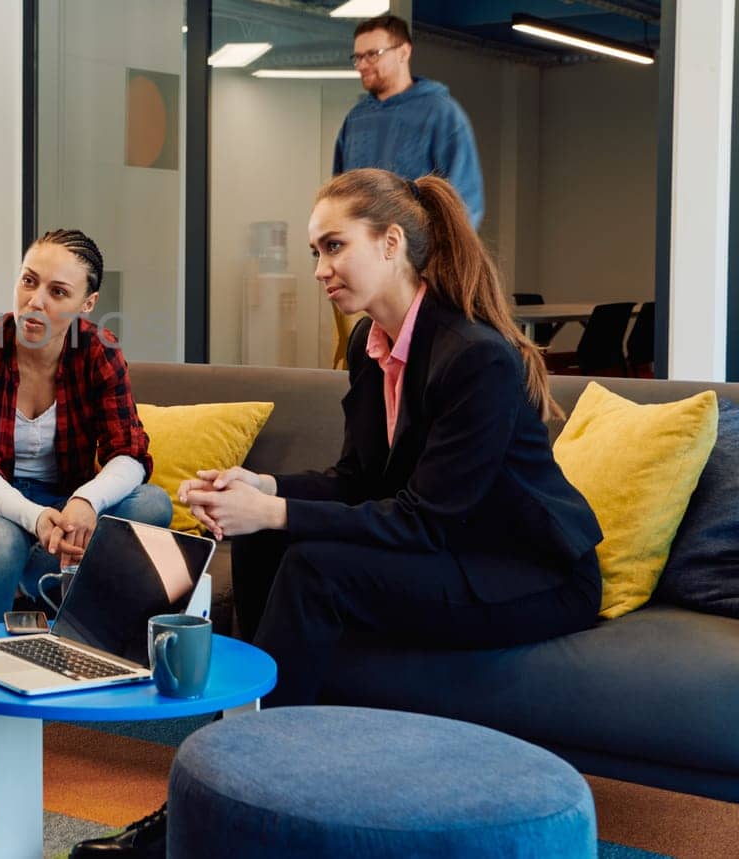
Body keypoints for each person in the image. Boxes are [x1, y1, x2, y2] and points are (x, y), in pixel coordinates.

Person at [70, 169, 602, 857]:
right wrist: (257, 486)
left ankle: (232, 790)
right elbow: (355, 480)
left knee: (313, 565)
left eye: (332, 247)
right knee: (261, 540)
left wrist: (275, 508)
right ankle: (241, 785)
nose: (319, 269)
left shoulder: (474, 357)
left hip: (527, 571)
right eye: (313, 252)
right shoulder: (369, 345)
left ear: (389, 243)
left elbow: (424, 520)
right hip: (447, 544)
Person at [0, 228, 172, 788]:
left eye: (57, 292)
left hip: (66, 501)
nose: (35, 301)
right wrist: (37, 519)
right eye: (28, 281)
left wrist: (85, 501)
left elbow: (130, 455)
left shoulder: (101, 354)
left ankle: (53, 588)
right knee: (2, 540)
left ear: (86, 304)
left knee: (153, 505)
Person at [334, 14, 484, 229]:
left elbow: (464, 201)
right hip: (362, 255)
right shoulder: (356, 119)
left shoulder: (440, 113)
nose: (361, 65)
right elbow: (338, 195)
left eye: (372, 55)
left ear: (403, 52)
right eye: (357, 57)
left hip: (416, 256)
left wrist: (435, 257)